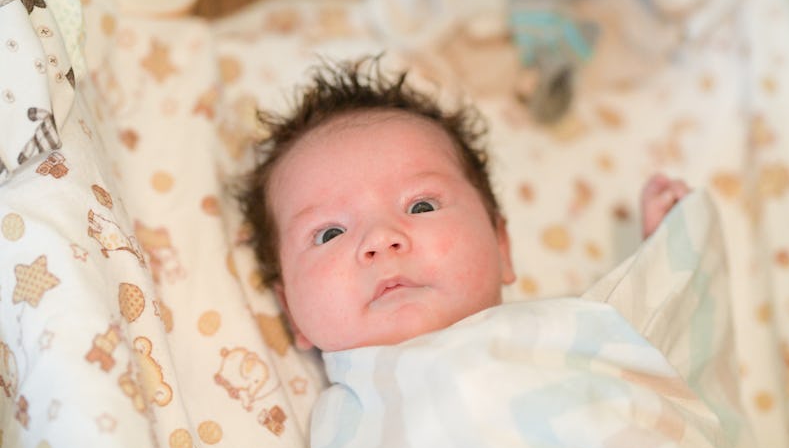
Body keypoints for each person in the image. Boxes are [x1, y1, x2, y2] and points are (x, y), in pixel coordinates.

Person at [238, 57, 690, 353]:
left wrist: (664, 261)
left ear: (501, 245)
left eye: (420, 206)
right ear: (291, 309)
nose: (380, 239)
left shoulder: (562, 334)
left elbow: (656, 364)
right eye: (329, 233)